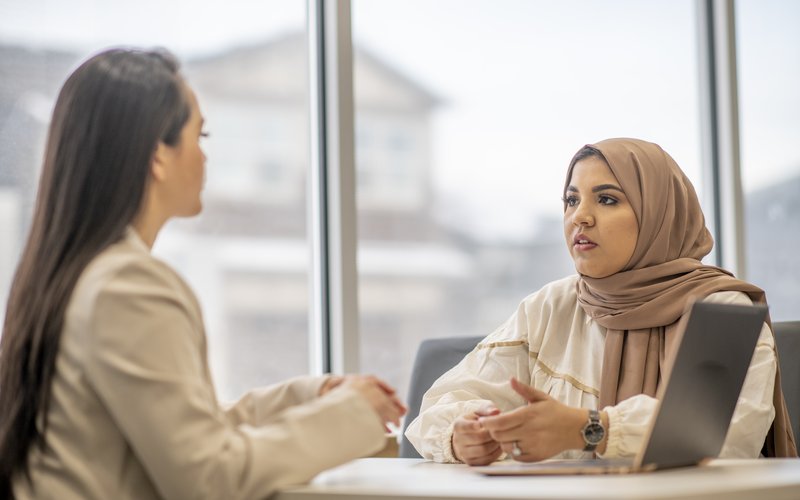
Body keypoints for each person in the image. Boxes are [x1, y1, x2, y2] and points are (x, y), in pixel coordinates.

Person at [0, 48, 406, 499]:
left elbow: (184, 429)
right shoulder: (128, 287)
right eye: (201, 135)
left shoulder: (79, 275)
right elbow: (209, 476)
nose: (204, 157)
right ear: (158, 154)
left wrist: (313, 396)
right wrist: (350, 416)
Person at [405, 137, 797, 465]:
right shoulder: (550, 305)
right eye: (571, 200)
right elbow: (443, 402)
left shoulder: (722, 309)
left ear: (660, 213)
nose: (580, 217)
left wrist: (591, 428)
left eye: (607, 200)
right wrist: (464, 434)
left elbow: (729, 436)